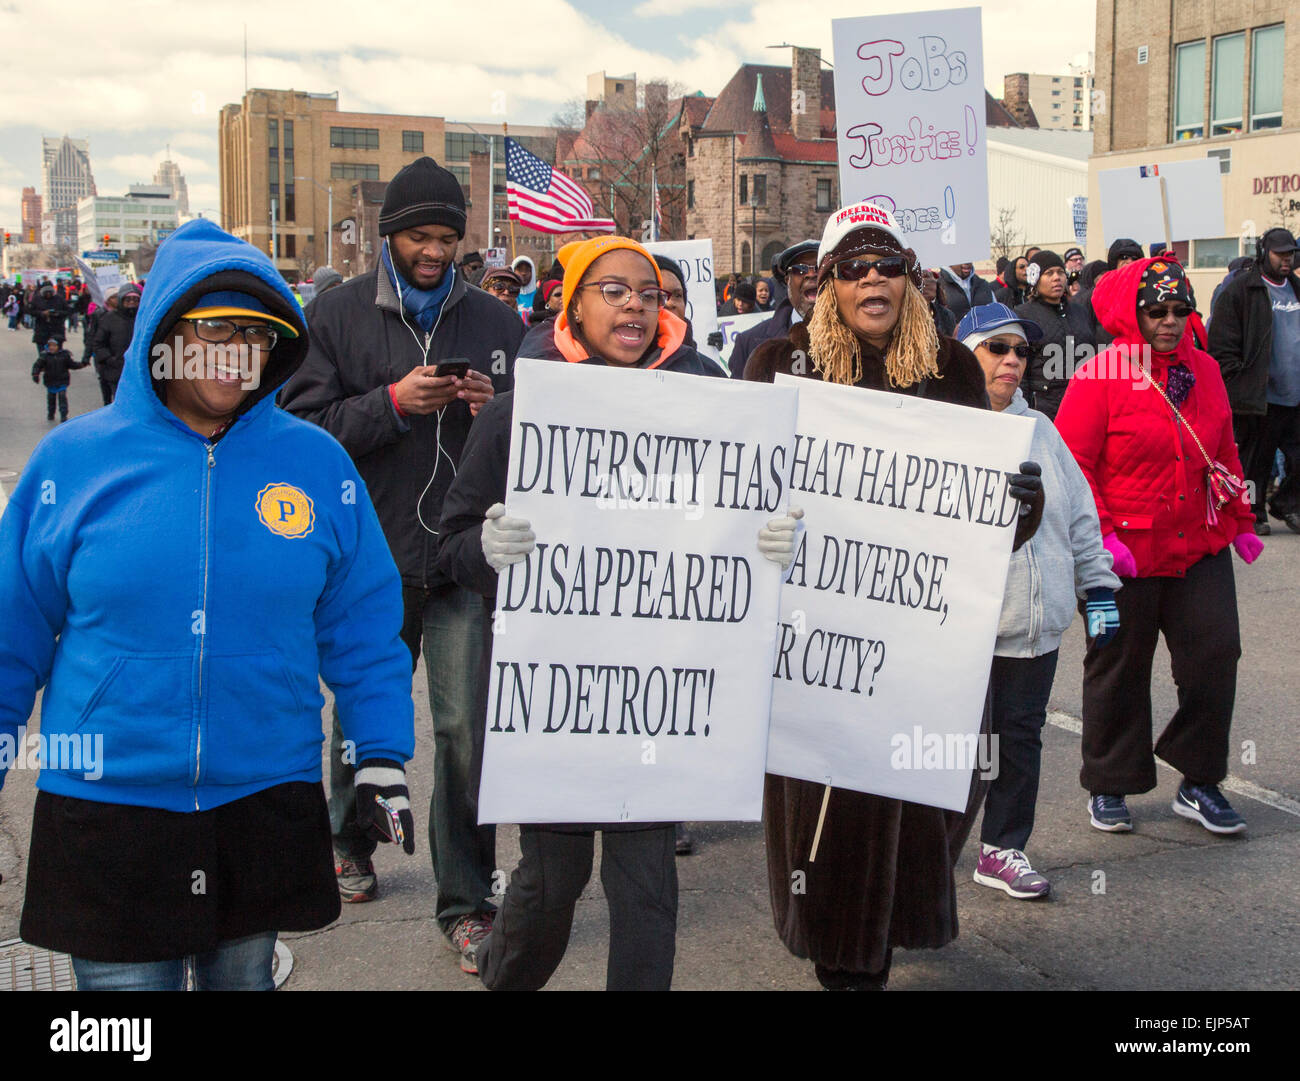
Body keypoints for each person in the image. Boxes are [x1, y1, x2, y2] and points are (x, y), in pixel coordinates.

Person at [0, 218, 417, 990]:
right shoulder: (73, 462)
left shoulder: (316, 463)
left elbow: (362, 627)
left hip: (260, 796)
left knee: (243, 980)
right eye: (213, 328)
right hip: (107, 806)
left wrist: (382, 752)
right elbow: (10, 635)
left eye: (255, 334)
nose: (236, 352)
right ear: (164, 331)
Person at [434, 235, 769, 991]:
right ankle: (505, 976)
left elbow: (740, 522)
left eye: (647, 293)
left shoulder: (707, 403)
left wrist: (770, 540)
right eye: (612, 290)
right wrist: (487, 549)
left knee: (647, 888)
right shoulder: (517, 414)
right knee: (550, 887)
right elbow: (448, 549)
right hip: (552, 697)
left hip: (655, 693)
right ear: (573, 305)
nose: (634, 305)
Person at [744, 203, 1044, 990]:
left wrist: (1019, 498)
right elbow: (742, 496)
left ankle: (894, 916)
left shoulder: (949, 366)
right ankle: (848, 955)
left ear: (910, 277)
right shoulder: (779, 362)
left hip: (924, 637)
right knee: (836, 811)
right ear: (825, 283)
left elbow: (990, 525)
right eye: (851, 266)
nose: (871, 277)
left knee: (947, 783)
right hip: (819, 634)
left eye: (887, 265)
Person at [279, 156, 523, 976]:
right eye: (421, 235)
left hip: (462, 560)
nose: (435, 251)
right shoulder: (337, 314)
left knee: (463, 733)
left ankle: (467, 900)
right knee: (362, 717)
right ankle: (349, 842)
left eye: (449, 239)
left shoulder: (495, 322)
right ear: (391, 235)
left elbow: (545, 435)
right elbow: (301, 431)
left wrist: (504, 417)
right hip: (369, 557)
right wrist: (391, 404)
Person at [1056, 257, 1260, 837]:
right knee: (1118, 666)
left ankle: (1199, 780)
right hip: (1122, 554)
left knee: (1216, 655)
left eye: (1179, 311)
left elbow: (1224, 450)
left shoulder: (1207, 372)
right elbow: (1075, 467)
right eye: (1156, 312)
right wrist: (1103, 540)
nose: (1169, 322)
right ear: (1132, 313)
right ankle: (1110, 782)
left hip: (1198, 543)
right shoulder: (1099, 374)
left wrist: (1241, 518)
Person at [957, 303, 1120, 899]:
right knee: (959, 747)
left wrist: (1096, 588)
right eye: (996, 348)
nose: (1012, 361)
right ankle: (928, 847)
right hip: (967, 627)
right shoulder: (943, 429)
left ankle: (1003, 848)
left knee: (1020, 739)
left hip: (1036, 628)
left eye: (1021, 351)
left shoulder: (1043, 430)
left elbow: (1080, 516)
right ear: (963, 354)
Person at [1207, 228, 1300, 535]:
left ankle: (1286, 502)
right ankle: (1253, 513)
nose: (1287, 261)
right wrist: (1238, 379)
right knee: (1255, 462)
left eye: (1290, 254)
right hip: (1259, 396)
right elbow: (1221, 343)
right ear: (1264, 253)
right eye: (1280, 255)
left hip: (1295, 394)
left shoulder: (1297, 288)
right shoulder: (1243, 290)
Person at [1015, 249, 1097, 421]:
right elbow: (1020, 368)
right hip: (1045, 407)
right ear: (1035, 278)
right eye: (1049, 273)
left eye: (1060, 272)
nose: (1056, 278)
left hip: (1085, 401)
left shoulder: (1080, 311)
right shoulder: (1023, 314)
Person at [728, 240, 818, 379]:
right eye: (800, 269)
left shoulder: (858, 339)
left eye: (819, 267)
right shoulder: (748, 342)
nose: (811, 274)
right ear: (787, 281)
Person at [90, 284, 138, 405]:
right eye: (128, 299)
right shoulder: (109, 318)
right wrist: (110, 359)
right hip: (116, 371)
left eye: (135, 299)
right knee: (120, 403)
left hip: (138, 371)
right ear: (122, 300)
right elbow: (98, 343)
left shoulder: (143, 318)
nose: (132, 302)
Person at [32, 337, 88, 422]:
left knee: (62, 397)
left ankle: (63, 415)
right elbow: (37, 365)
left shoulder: (64, 355)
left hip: (62, 380)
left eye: (54, 346)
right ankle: (51, 413)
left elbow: (72, 364)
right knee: (51, 398)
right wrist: (35, 374)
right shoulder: (45, 356)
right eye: (50, 346)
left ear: (59, 346)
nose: (52, 348)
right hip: (50, 381)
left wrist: (82, 364)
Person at [922, 268, 957, 337]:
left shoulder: (947, 315)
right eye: (920, 277)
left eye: (927, 276)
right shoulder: (901, 315)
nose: (925, 282)